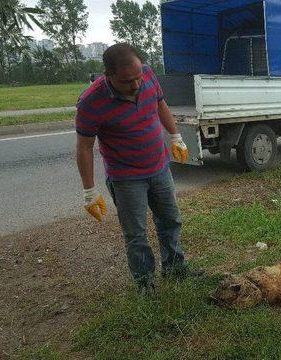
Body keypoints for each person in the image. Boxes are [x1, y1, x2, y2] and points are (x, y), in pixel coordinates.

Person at [75, 43, 200, 295]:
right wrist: (89, 191)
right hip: (126, 178)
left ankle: (175, 267)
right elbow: (84, 147)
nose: (135, 85)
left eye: (137, 78)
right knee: (136, 234)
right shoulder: (91, 102)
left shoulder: (148, 75)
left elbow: (160, 104)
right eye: (126, 81)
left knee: (170, 220)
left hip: (159, 167)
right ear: (107, 75)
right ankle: (145, 283)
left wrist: (175, 135)